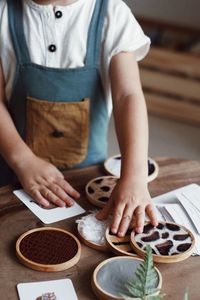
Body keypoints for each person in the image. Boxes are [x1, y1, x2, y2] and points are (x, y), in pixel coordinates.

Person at [0, 0, 157, 236]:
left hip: (87, 177)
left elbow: (128, 96)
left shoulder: (112, 13)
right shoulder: (3, 12)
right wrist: (23, 160)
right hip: (14, 170)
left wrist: (134, 176)